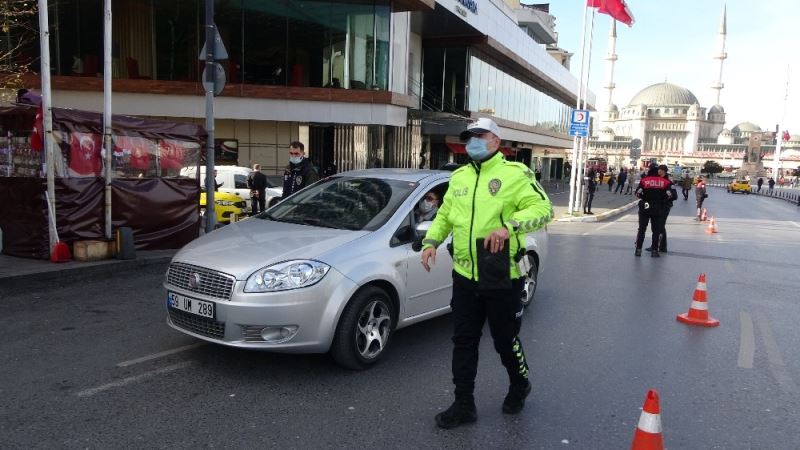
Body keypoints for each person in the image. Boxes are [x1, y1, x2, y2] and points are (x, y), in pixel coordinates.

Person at [420, 118, 553, 429]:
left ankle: (520, 385)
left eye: (480, 136)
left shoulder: (515, 174)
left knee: (505, 340)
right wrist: (431, 241)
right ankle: (463, 403)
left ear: (496, 141)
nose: (473, 142)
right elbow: (445, 215)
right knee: (463, 341)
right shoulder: (460, 177)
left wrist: (510, 227)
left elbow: (542, 208)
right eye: (470, 137)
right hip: (464, 275)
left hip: (502, 275)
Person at [634, 164, 672, 257]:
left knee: (642, 229)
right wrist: (662, 200)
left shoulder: (644, 181)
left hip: (645, 206)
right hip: (657, 207)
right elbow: (669, 195)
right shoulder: (665, 182)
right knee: (656, 230)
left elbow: (637, 193)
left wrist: (644, 197)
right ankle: (654, 251)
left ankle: (638, 249)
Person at [647, 165, 676, 253]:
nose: (658, 171)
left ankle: (659, 246)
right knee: (658, 226)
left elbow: (674, 196)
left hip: (664, 206)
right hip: (657, 206)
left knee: (659, 226)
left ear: (663, 171)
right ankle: (660, 246)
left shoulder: (668, 182)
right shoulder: (657, 180)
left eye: (659, 170)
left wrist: (664, 200)